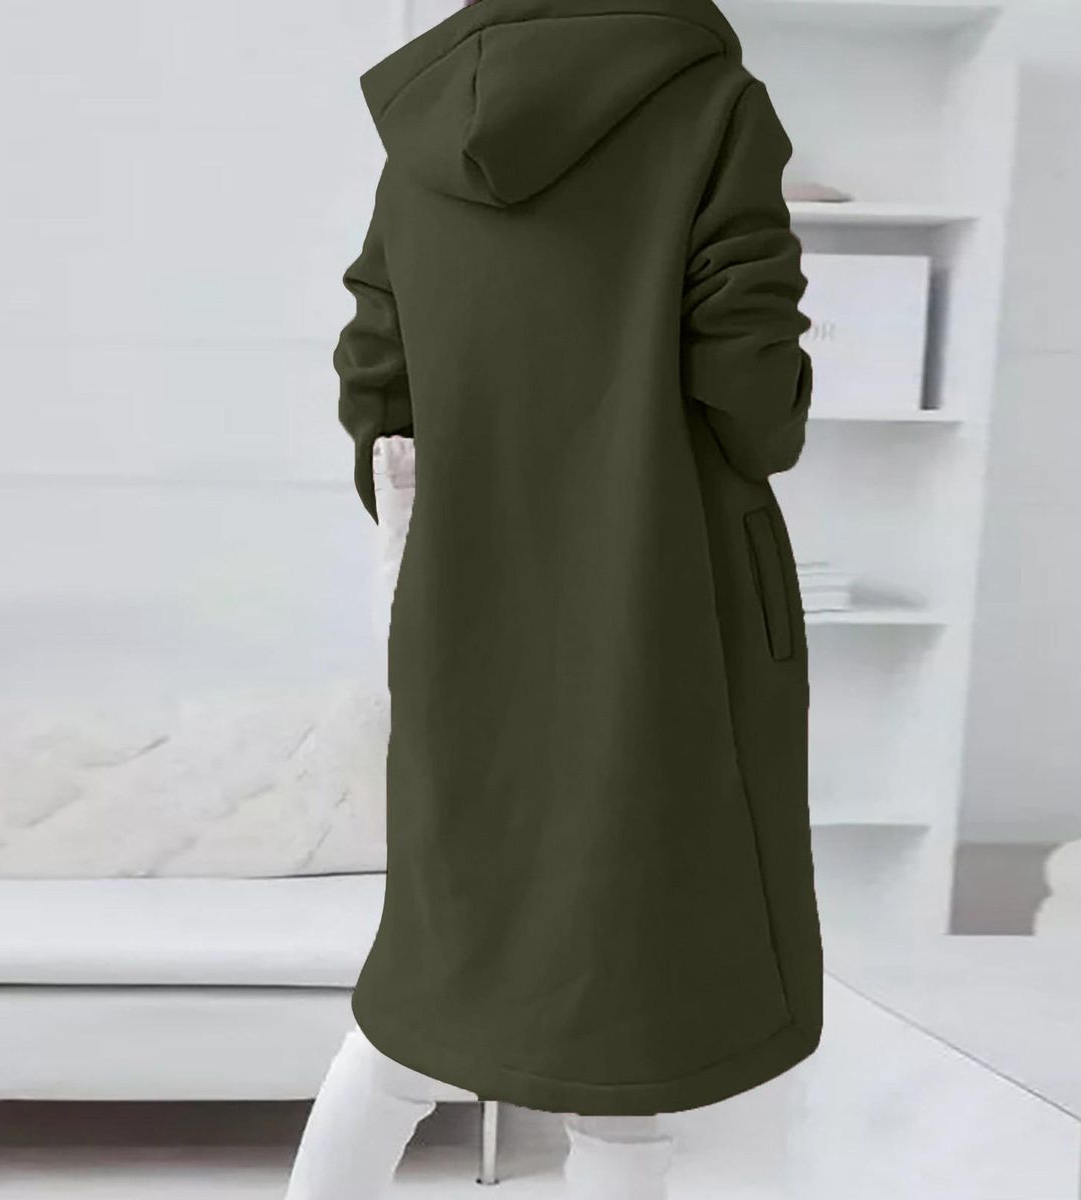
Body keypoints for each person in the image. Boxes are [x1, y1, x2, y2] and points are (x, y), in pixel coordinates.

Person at [286, 0, 821, 1191]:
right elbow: (751, 392)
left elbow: (376, 375)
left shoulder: (419, 132)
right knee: (627, 1011)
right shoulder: (714, 105)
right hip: (663, 597)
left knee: (426, 979)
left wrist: (449, 534)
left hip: (460, 600)